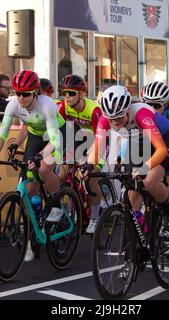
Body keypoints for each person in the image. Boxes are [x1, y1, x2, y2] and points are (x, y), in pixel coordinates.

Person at [0, 70, 65, 262]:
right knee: (30, 188)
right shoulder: (13, 104)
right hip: (36, 136)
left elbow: (54, 139)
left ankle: (56, 204)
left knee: (44, 168)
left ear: (35, 92)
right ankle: (36, 229)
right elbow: (3, 132)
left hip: (56, 136)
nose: (20, 97)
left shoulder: (47, 105)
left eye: (25, 94)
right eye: (17, 93)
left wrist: (40, 157)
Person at [83, 85, 169, 236]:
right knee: (132, 192)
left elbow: (161, 150)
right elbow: (98, 147)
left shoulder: (141, 114)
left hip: (164, 140)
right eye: (112, 120)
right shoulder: (105, 119)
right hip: (138, 143)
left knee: (149, 181)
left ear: (128, 110)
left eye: (120, 118)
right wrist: (88, 166)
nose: (116, 123)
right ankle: (142, 238)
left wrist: (144, 168)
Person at [57, 74, 103, 234]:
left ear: (81, 94)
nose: (67, 97)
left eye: (71, 93)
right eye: (64, 93)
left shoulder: (93, 110)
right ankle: (64, 206)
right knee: (61, 174)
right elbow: (58, 132)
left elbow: (101, 138)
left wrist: (89, 160)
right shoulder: (64, 107)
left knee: (91, 178)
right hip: (75, 142)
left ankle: (96, 217)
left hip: (96, 143)